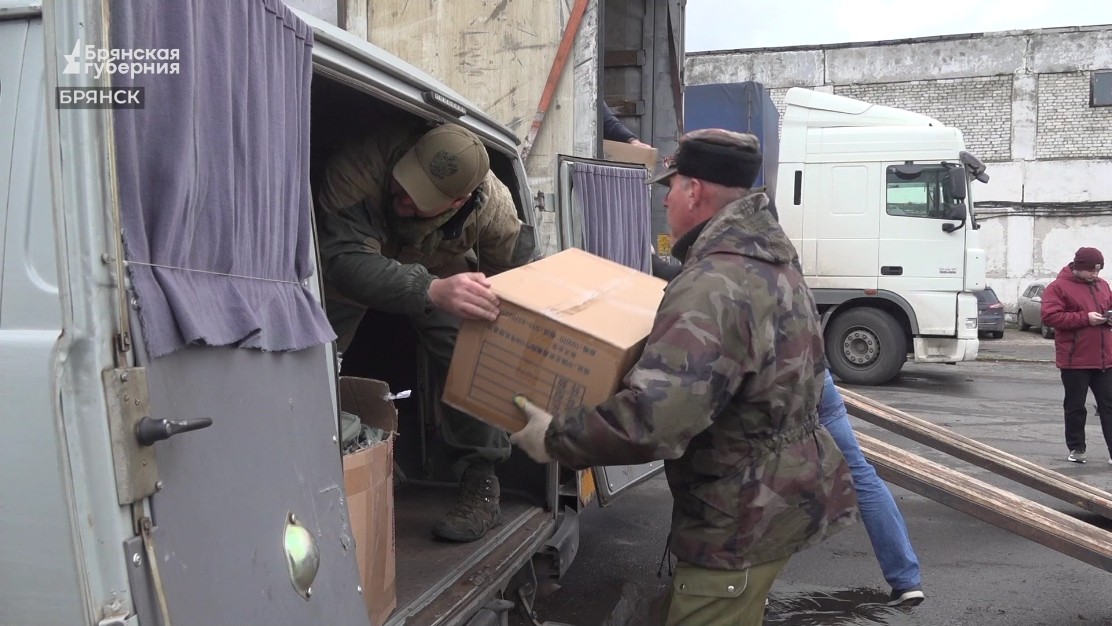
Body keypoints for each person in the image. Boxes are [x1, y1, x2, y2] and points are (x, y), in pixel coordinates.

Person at [511, 128, 858, 626]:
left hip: (738, 517)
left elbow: (655, 420)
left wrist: (554, 436)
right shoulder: (769, 258)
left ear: (694, 190)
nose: (667, 200)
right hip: (776, 498)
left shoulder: (712, 283)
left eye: (669, 188)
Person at [316, 122, 536, 542]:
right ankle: (344, 455)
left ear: (458, 202)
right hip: (355, 266)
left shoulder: (493, 208)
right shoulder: (357, 169)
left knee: (472, 349)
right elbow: (341, 260)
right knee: (315, 351)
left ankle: (480, 480)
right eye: (402, 185)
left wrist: (505, 324)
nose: (403, 199)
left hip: (439, 268)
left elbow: (518, 274)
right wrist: (429, 289)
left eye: (420, 200)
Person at [819, 370, 925, 606]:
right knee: (860, 472)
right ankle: (907, 581)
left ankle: (752, 586)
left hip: (770, 382)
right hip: (815, 375)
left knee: (760, 477)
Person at [1040, 246, 1112, 465]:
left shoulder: (1103, 286)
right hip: (1074, 360)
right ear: (1078, 267)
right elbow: (1050, 317)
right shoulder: (1058, 287)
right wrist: (1085, 318)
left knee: (1109, 405)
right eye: (1091, 270)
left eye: (1098, 270)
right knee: (1075, 406)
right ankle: (1077, 448)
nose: (1095, 275)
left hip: (1104, 358)